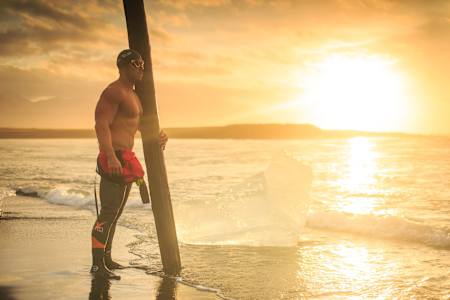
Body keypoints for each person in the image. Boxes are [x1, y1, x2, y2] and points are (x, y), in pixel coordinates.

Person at [90, 49, 168, 280]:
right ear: (124, 65)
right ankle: (96, 266)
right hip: (112, 157)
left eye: (143, 63)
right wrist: (110, 156)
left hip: (126, 157)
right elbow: (101, 125)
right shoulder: (113, 91)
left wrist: (159, 135)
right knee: (107, 212)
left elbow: (138, 125)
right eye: (137, 63)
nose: (142, 67)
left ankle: (107, 259)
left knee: (116, 213)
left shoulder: (134, 96)